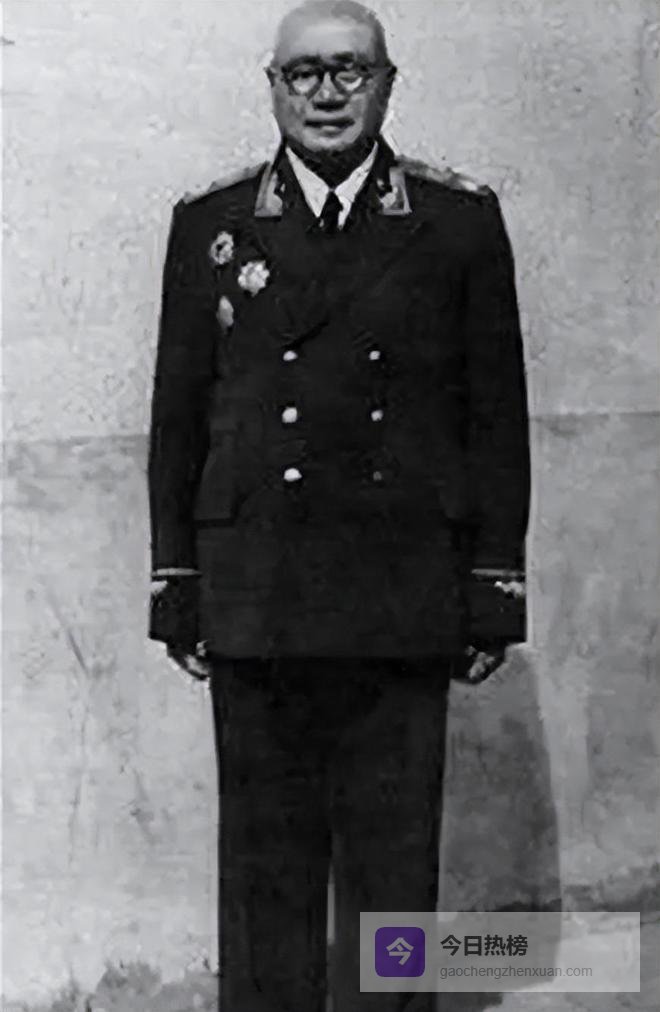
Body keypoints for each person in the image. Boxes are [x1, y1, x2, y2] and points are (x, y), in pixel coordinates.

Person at [147, 2, 530, 1009]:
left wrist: (493, 588)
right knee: (264, 872)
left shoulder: (455, 222)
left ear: (387, 85)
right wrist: (176, 584)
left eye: (351, 71)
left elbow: (496, 416)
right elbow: (179, 418)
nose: (327, 94)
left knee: (394, 873)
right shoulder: (211, 225)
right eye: (305, 73)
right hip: (257, 593)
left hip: (400, 592)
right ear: (273, 88)